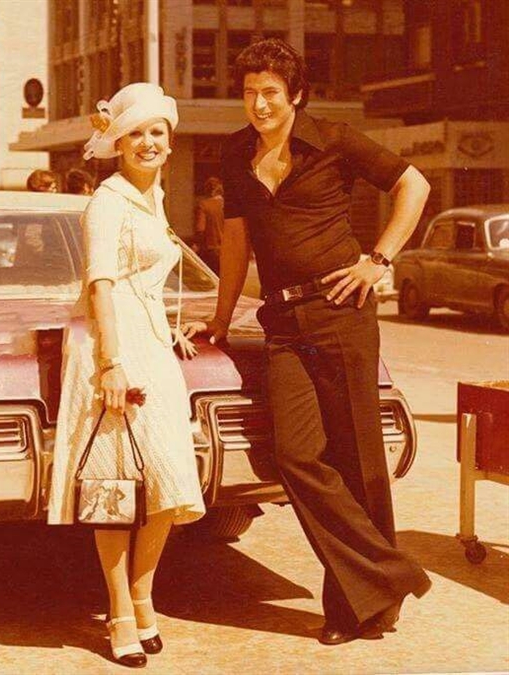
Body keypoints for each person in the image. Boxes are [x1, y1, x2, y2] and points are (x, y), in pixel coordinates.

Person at [183, 38, 432, 646]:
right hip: (283, 323)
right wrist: (221, 317)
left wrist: (379, 259)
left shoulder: (335, 140)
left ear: (295, 94)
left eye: (270, 92)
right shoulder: (236, 152)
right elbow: (236, 241)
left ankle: (359, 609)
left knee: (358, 463)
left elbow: (415, 185)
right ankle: (392, 573)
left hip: (342, 311)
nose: (259, 104)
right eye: (249, 92)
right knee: (296, 457)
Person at [48, 82, 205, 667]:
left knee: (167, 477)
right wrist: (111, 364)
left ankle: (143, 595)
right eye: (134, 133)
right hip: (112, 352)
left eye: (156, 132)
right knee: (116, 486)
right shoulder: (108, 201)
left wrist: (169, 328)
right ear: (117, 143)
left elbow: (147, 280)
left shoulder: (154, 198)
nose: (147, 142)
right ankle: (119, 610)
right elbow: (101, 286)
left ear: (170, 141)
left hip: (154, 347)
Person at [194, 176, 225, 274]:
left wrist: (196, 245)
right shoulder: (228, 205)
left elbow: (200, 228)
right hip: (228, 250)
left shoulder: (204, 205)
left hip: (211, 250)